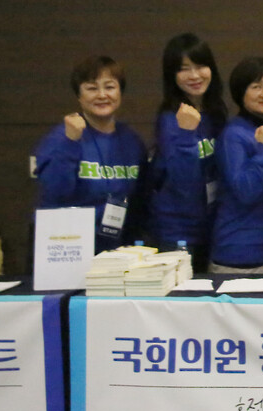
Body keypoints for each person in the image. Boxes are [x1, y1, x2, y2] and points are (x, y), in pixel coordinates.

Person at [35, 55, 147, 253]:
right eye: (92, 88)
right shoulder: (61, 138)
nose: (102, 95)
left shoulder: (132, 141)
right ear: (79, 95)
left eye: (109, 87)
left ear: (120, 92)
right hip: (68, 248)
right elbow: (55, 193)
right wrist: (70, 143)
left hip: (117, 250)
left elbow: (140, 199)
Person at [147, 33, 227, 272]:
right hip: (177, 232)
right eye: (184, 69)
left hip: (210, 229)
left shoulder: (215, 112)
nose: (194, 75)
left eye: (200, 66)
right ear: (172, 75)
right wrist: (186, 134)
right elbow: (183, 181)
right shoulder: (171, 120)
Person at [209, 57, 263, 274]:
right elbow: (246, 191)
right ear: (240, 92)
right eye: (256, 87)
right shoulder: (233, 135)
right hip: (236, 255)